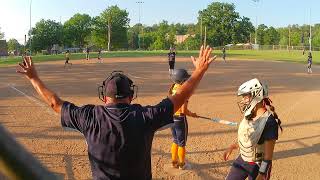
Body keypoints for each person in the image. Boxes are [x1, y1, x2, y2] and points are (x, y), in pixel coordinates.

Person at [16, 45, 216, 180]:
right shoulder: (146, 116)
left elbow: (54, 103)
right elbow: (179, 97)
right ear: (131, 96)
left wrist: (33, 77)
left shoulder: (89, 116)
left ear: (104, 97)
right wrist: (199, 70)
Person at [223, 78, 283, 180]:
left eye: (245, 97)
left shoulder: (269, 122)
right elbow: (247, 138)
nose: (242, 100)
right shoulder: (249, 114)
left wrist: (262, 174)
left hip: (258, 165)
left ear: (257, 95)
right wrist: (233, 146)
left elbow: (268, 157)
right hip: (243, 159)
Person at [168, 69, 199, 170]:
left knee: (175, 140)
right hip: (180, 119)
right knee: (181, 142)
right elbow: (183, 110)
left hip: (171, 117)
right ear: (182, 81)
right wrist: (192, 114)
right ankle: (182, 164)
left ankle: (174, 162)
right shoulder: (183, 91)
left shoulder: (173, 87)